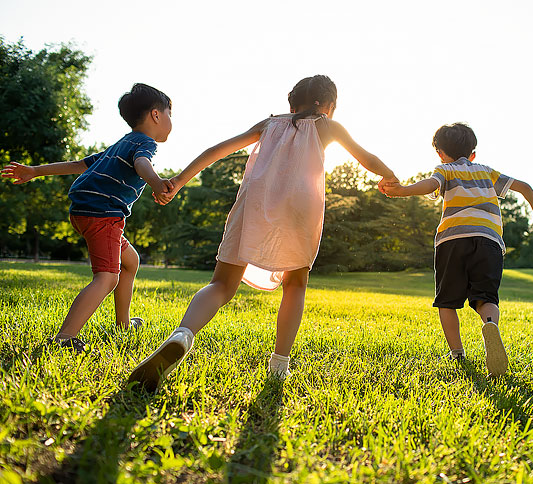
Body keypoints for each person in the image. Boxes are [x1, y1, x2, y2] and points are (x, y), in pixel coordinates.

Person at [128, 75, 398, 391]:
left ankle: (183, 334)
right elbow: (366, 158)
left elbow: (218, 150)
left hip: (255, 201)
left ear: (291, 103)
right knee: (295, 284)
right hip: (300, 206)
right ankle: (279, 366)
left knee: (221, 283)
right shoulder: (327, 125)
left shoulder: (270, 124)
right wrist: (391, 176)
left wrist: (178, 181)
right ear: (328, 105)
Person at [1, 83, 174, 353]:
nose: (170, 120)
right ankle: (65, 336)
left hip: (87, 210)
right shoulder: (144, 143)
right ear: (156, 115)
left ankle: (123, 325)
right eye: (169, 113)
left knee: (130, 262)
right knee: (107, 277)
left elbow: (78, 165)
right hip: (102, 213)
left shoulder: (121, 144)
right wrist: (154, 182)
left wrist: (35, 170)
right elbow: (143, 164)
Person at [382, 123, 533, 376]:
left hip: (453, 239)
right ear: (473, 153)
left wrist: (403, 191)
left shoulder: (445, 169)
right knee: (486, 298)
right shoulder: (486, 172)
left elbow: (430, 184)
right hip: (489, 240)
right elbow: (524, 186)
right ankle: (490, 325)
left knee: (447, 301)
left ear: (439, 152)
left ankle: (457, 353)